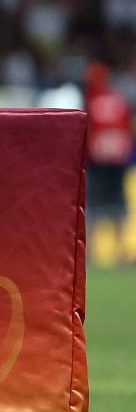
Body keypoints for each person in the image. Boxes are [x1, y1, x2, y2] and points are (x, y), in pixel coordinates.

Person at [84, 62, 132, 266]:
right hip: (117, 159)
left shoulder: (91, 101)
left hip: (97, 160)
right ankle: (122, 252)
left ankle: (90, 254)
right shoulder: (119, 100)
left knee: (94, 207)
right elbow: (128, 129)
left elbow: (86, 131)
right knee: (118, 206)